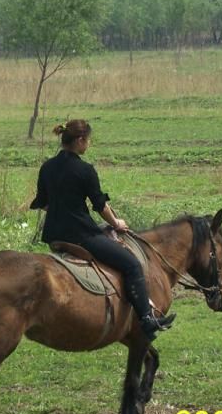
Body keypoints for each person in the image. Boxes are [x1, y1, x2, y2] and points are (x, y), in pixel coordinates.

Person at [29, 119, 175, 341]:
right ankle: (146, 318)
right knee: (132, 264)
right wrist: (117, 223)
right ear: (79, 140)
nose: (88, 145)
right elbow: (100, 206)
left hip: (55, 236)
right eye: (87, 140)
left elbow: (43, 202)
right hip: (81, 236)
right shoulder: (85, 170)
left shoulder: (47, 167)